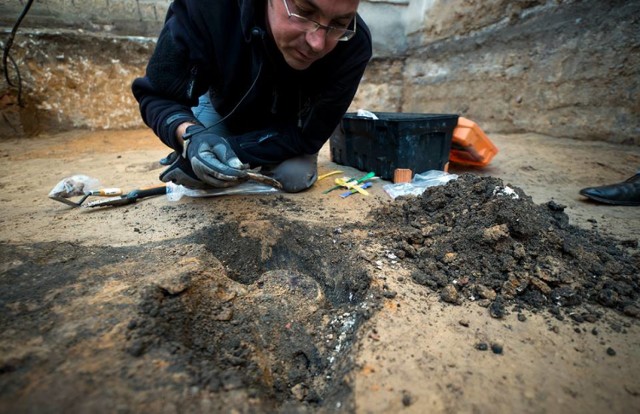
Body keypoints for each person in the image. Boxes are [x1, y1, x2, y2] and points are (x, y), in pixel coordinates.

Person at [132, 0, 372, 193]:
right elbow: (157, 94)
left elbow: (308, 136)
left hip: (286, 130)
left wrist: (230, 150)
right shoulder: (207, 7)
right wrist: (188, 135)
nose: (317, 43)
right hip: (221, 109)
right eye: (304, 10)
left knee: (294, 177)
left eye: (339, 22)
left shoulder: (354, 44)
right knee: (205, 168)